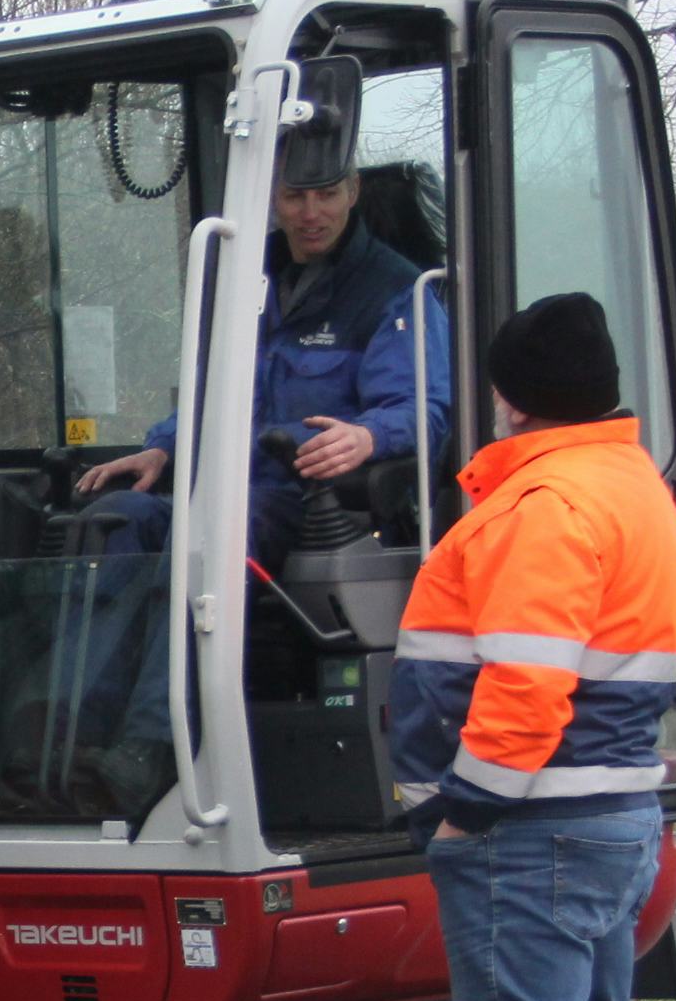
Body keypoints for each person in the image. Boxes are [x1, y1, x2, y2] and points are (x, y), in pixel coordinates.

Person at [389, 292, 676, 1001]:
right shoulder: (633, 485)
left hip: (534, 828)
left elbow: (525, 682)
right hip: (608, 820)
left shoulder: (546, 504)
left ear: (513, 394)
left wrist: (465, 806)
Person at [57, 163, 454, 794]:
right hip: (222, 489)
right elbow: (213, 390)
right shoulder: (245, 278)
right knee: (116, 521)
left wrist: (368, 436)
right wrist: (161, 448)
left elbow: (424, 405)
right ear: (273, 197)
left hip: (312, 500)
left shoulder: (393, 290)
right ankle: (71, 737)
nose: (311, 211)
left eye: (326, 192)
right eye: (297, 193)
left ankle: (154, 748)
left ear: (352, 192)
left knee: (216, 535)